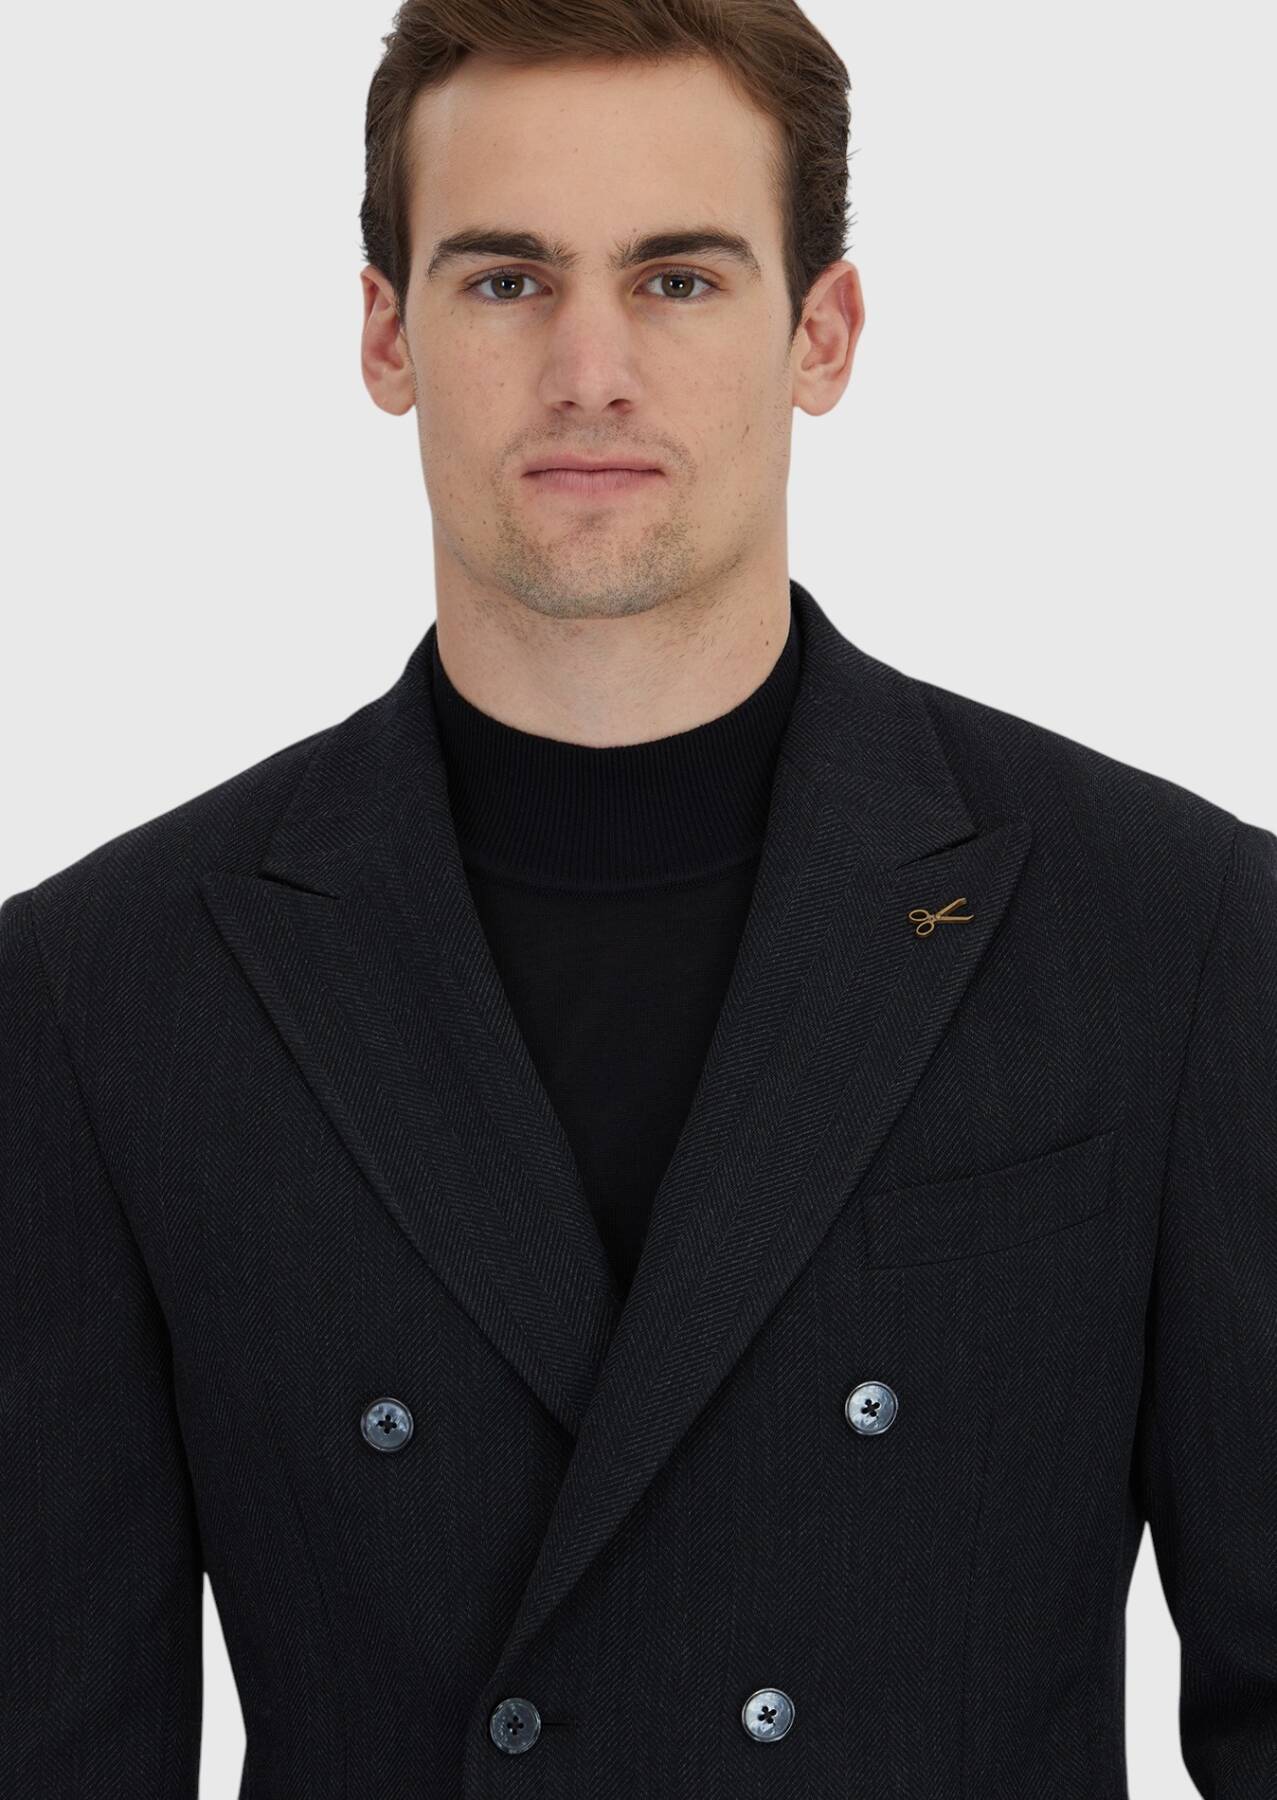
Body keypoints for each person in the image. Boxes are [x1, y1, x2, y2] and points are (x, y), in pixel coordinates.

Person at [2, 3, 1274, 1795]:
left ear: (820, 333)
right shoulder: (101, 995)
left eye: (676, 280)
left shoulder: (1175, 935)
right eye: (506, 280)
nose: (588, 370)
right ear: (386, 335)